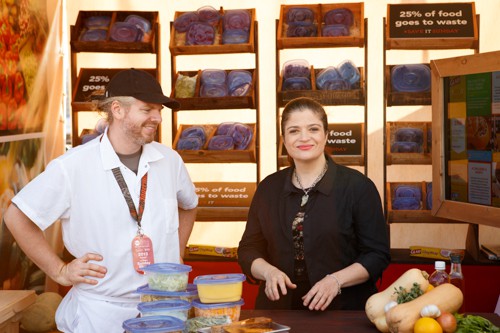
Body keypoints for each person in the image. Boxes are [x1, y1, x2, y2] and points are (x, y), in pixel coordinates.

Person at [3, 69, 198, 332]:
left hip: (165, 309)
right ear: (117, 109)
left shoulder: (169, 160)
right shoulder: (72, 166)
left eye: (159, 110)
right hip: (101, 314)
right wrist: (59, 271)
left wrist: (177, 251)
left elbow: (188, 205)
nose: (158, 117)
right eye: (148, 109)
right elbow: (16, 216)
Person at [238, 97, 390, 311]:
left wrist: (335, 281)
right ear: (283, 138)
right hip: (278, 310)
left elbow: (377, 254)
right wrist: (268, 272)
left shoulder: (358, 187)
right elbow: (248, 249)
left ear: (326, 135)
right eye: (293, 131)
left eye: (313, 129)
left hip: (343, 311)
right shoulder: (268, 188)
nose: (304, 138)